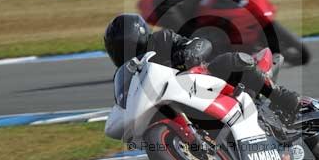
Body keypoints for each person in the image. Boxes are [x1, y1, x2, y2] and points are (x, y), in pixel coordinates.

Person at [103, 14, 302, 125]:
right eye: (117, 49)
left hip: (202, 79)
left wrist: (187, 53)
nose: (123, 52)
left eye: (126, 45)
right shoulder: (127, 74)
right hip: (174, 102)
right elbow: (126, 101)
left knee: (228, 61)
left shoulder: (162, 39)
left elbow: (200, 43)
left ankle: (280, 96)